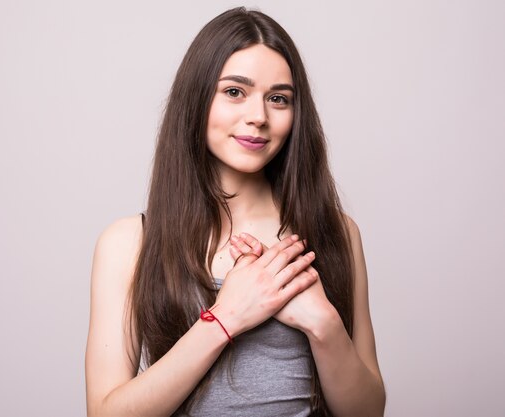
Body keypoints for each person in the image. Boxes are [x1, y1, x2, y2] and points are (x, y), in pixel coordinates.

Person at [85, 7, 385, 417]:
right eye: (234, 92)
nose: (258, 116)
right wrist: (226, 318)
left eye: (278, 99)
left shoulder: (337, 232)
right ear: (196, 99)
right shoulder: (129, 242)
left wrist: (325, 324)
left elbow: (367, 413)